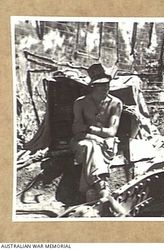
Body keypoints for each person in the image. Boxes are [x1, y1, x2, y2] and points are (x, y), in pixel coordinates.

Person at [70, 63, 126, 216]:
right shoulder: (80, 103)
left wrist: (90, 129)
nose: (105, 87)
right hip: (83, 140)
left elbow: (112, 132)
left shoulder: (116, 103)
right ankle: (102, 189)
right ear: (93, 86)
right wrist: (93, 135)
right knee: (90, 146)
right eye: (101, 85)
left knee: (91, 147)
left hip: (106, 143)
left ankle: (89, 191)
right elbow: (76, 131)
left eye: (107, 83)